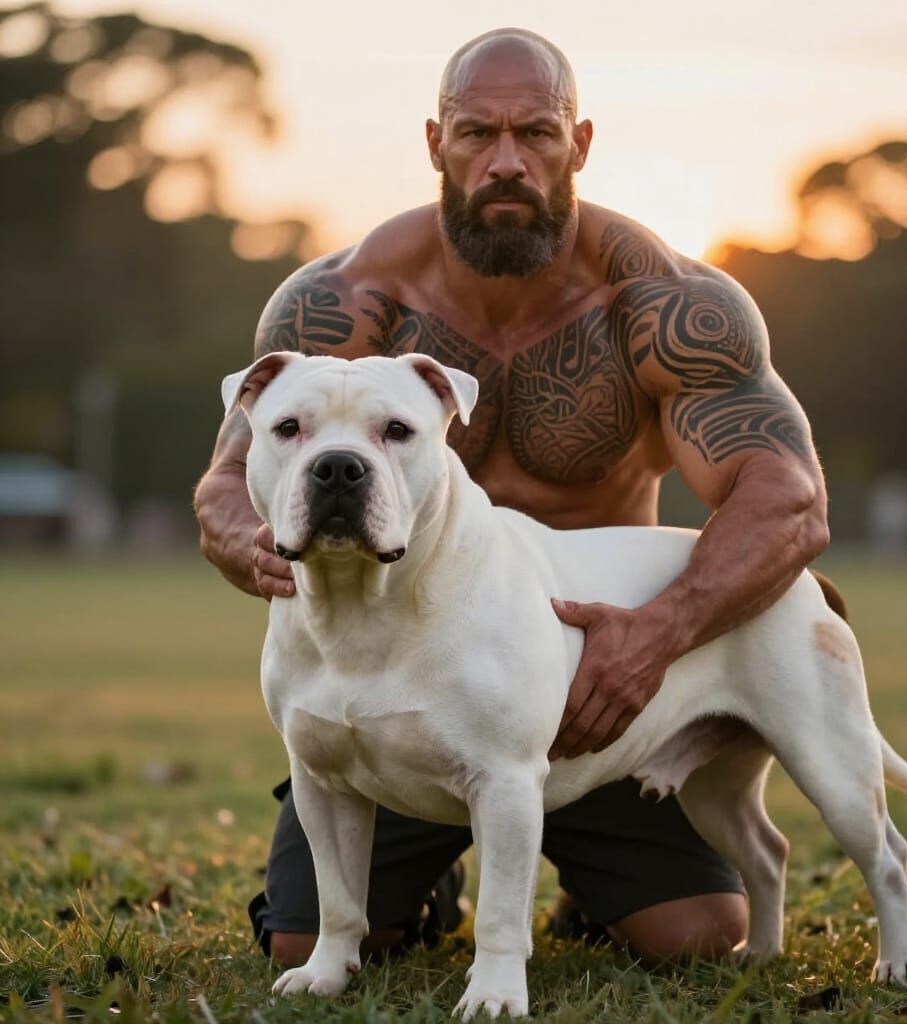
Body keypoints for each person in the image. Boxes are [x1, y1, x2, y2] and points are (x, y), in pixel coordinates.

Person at [193, 27, 830, 969]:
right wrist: (253, 540)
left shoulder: (663, 306)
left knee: (698, 938)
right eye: (476, 133)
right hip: (390, 680)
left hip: (593, 686)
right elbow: (227, 478)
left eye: (534, 133)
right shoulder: (339, 304)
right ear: (434, 142)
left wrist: (654, 636)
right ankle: (425, 859)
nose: (505, 161)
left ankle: (586, 878)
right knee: (303, 946)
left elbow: (789, 499)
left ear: (578, 145)